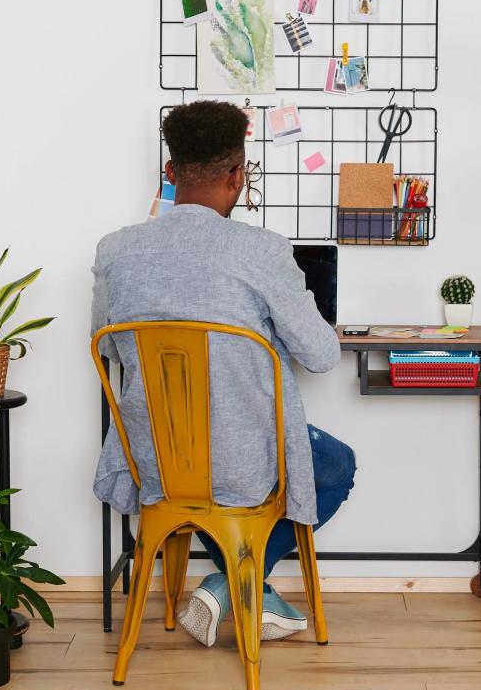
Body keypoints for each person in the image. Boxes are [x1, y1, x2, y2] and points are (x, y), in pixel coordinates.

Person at [91, 100, 356, 645]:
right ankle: (237, 582)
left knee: (209, 482)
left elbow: (113, 346)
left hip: (157, 462)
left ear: (170, 173)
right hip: (240, 466)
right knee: (335, 463)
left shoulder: (115, 251)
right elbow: (323, 356)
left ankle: (225, 583)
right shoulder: (261, 250)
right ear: (238, 175)